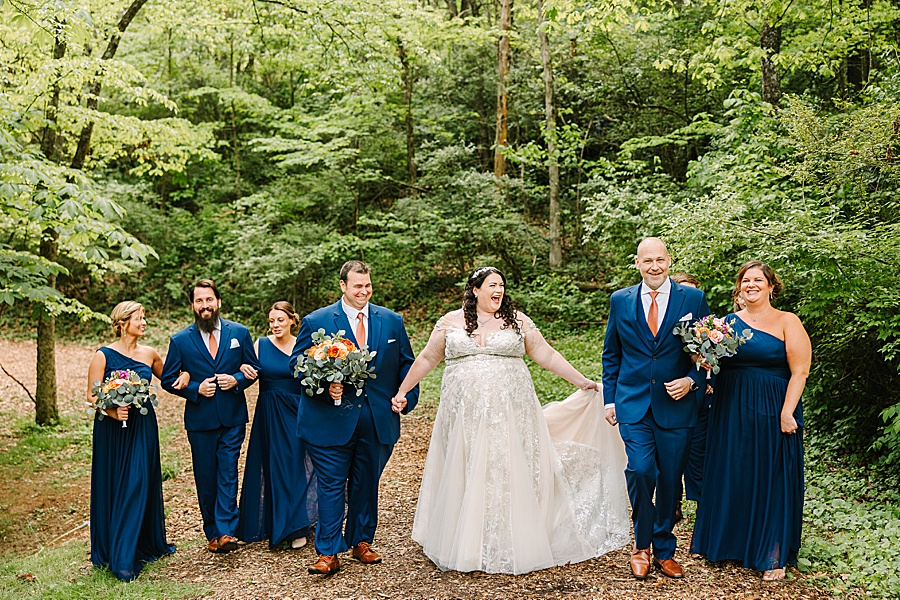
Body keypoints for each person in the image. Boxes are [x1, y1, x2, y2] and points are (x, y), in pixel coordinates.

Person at [391, 266, 631, 574]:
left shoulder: (518, 321)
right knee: (467, 465)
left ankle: (509, 534)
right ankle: (465, 539)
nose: (499, 290)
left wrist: (581, 381)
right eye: (492, 285)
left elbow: (547, 354)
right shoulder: (450, 322)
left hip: (510, 410)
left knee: (504, 465)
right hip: (463, 413)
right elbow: (427, 358)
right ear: (475, 290)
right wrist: (402, 390)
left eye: (501, 285)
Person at [290, 261, 418, 575]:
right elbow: (297, 365)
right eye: (357, 285)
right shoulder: (317, 320)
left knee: (365, 483)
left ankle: (361, 540)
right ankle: (329, 552)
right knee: (331, 485)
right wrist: (324, 389)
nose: (364, 291)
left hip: (376, 419)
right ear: (343, 286)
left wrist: (406, 397)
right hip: (329, 419)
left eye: (367, 285)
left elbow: (407, 365)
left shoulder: (391, 321)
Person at [691, 261, 811, 581]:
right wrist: (701, 355)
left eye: (758, 280)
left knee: (772, 476)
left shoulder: (788, 321)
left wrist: (787, 411)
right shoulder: (726, 323)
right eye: (746, 280)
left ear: (772, 287)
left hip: (773, 407)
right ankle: (730, 544)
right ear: (739, 287)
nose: (751, 284)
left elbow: (800, 371)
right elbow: (710, 364)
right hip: (731, 408)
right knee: (733, 471)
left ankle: (772, 552)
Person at [602, 238, 711, 580]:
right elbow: (612, 354)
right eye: (647, 260)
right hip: (633, 403)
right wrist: (609, 399)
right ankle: (641, 545)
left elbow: (708, 350)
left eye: (660, 260)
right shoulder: (620, 300)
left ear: (668, 261)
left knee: (668, 480)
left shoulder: (691, 298)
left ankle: (664, 549)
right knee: (640, 470)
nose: (654, 266)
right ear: (637, 263)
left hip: (676, 405)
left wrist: (692, 381)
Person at [161, 279, 260, 553]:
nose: (205, 306)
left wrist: (237, 379)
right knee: (206, 476)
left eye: (209, 300)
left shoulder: (239, 333)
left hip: (232, 416)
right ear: (193, 306)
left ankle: (227, 531)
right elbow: (168, 379)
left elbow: (253, 367)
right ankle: (212, 532)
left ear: (219, 302)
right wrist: (195, 388)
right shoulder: (180, 340)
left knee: (228, 471)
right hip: (200, 420)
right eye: (199, 301)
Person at [86, 301, 177, 580]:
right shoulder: (103, 355)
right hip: (112, 431)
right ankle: (118, 553)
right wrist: (113, 411)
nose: (144, 322)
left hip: (142, 427)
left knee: (137, 482)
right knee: (117, 484)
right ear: (123, 322)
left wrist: (187, 376)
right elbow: (91, 397)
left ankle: (129, 553)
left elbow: (171, 378)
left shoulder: (150, 354)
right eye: (139, 318)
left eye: (145, 317)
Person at [236, 301, 317, 550]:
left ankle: (298, 524)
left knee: (297, 465)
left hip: (297, 411)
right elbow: (245, 368)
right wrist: (241, 368)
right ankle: (278, 523)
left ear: (292, 320)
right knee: (275, 467)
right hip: (270, 413)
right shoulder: (261, 344)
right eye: (271, 321)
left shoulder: (303, 345)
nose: (275, 325)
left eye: (280, 320)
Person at [669, 273, 712, 513]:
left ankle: (702, 510)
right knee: (671, 458)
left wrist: (708, 381)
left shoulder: (709, 324)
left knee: (698, 457)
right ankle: (672, 502)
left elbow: (715, 355)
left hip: (700, 400)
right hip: (673, 397)